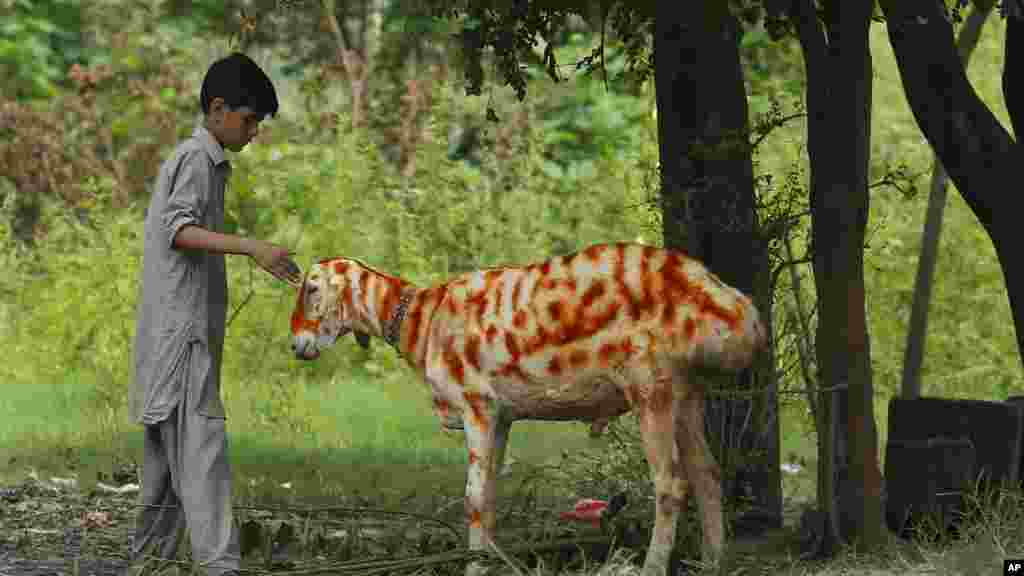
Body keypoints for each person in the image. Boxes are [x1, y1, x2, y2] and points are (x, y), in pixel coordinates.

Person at [128, 52, 300, 576]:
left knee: (164, 475)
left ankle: (148, 567)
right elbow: (177, 230)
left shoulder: (204, 162)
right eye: (249, 120)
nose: (252, 132)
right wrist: (250, 246)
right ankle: (222, 568)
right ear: (219, 109)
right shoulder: (198, 161)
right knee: (203, 465)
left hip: (172, 341)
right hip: (183, 346)